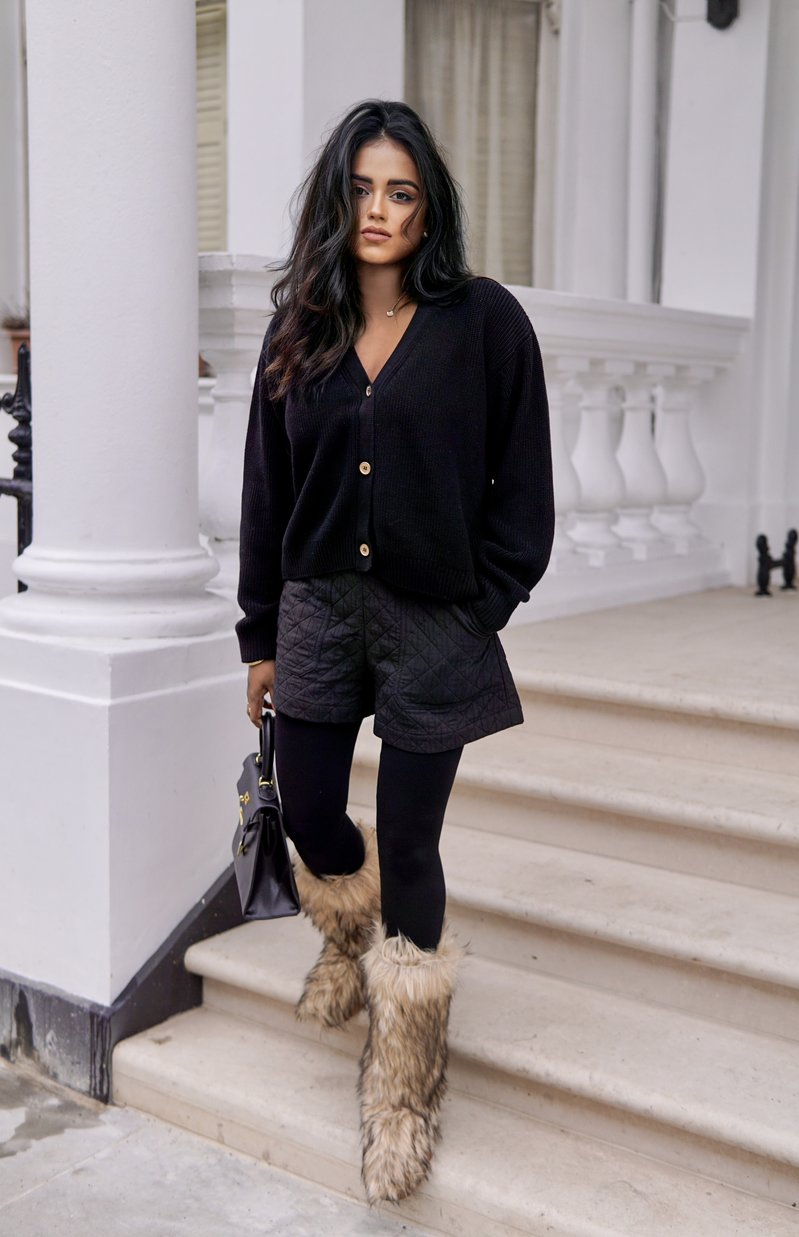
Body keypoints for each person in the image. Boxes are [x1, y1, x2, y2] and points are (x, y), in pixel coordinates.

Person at [236, 98, 555, 1207]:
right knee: (309, 814)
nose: (379, 211)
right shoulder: (300, 330)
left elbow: (526, 486)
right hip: (317, 611)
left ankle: (402, 1089)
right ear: (338, 198)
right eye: (363, 189)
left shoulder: (483, 322)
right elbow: (265, 493)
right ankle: (347, 932)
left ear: (429, 208)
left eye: (401, 192)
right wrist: (259, 636)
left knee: (411, 839)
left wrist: (486, 605)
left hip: (434, 620)